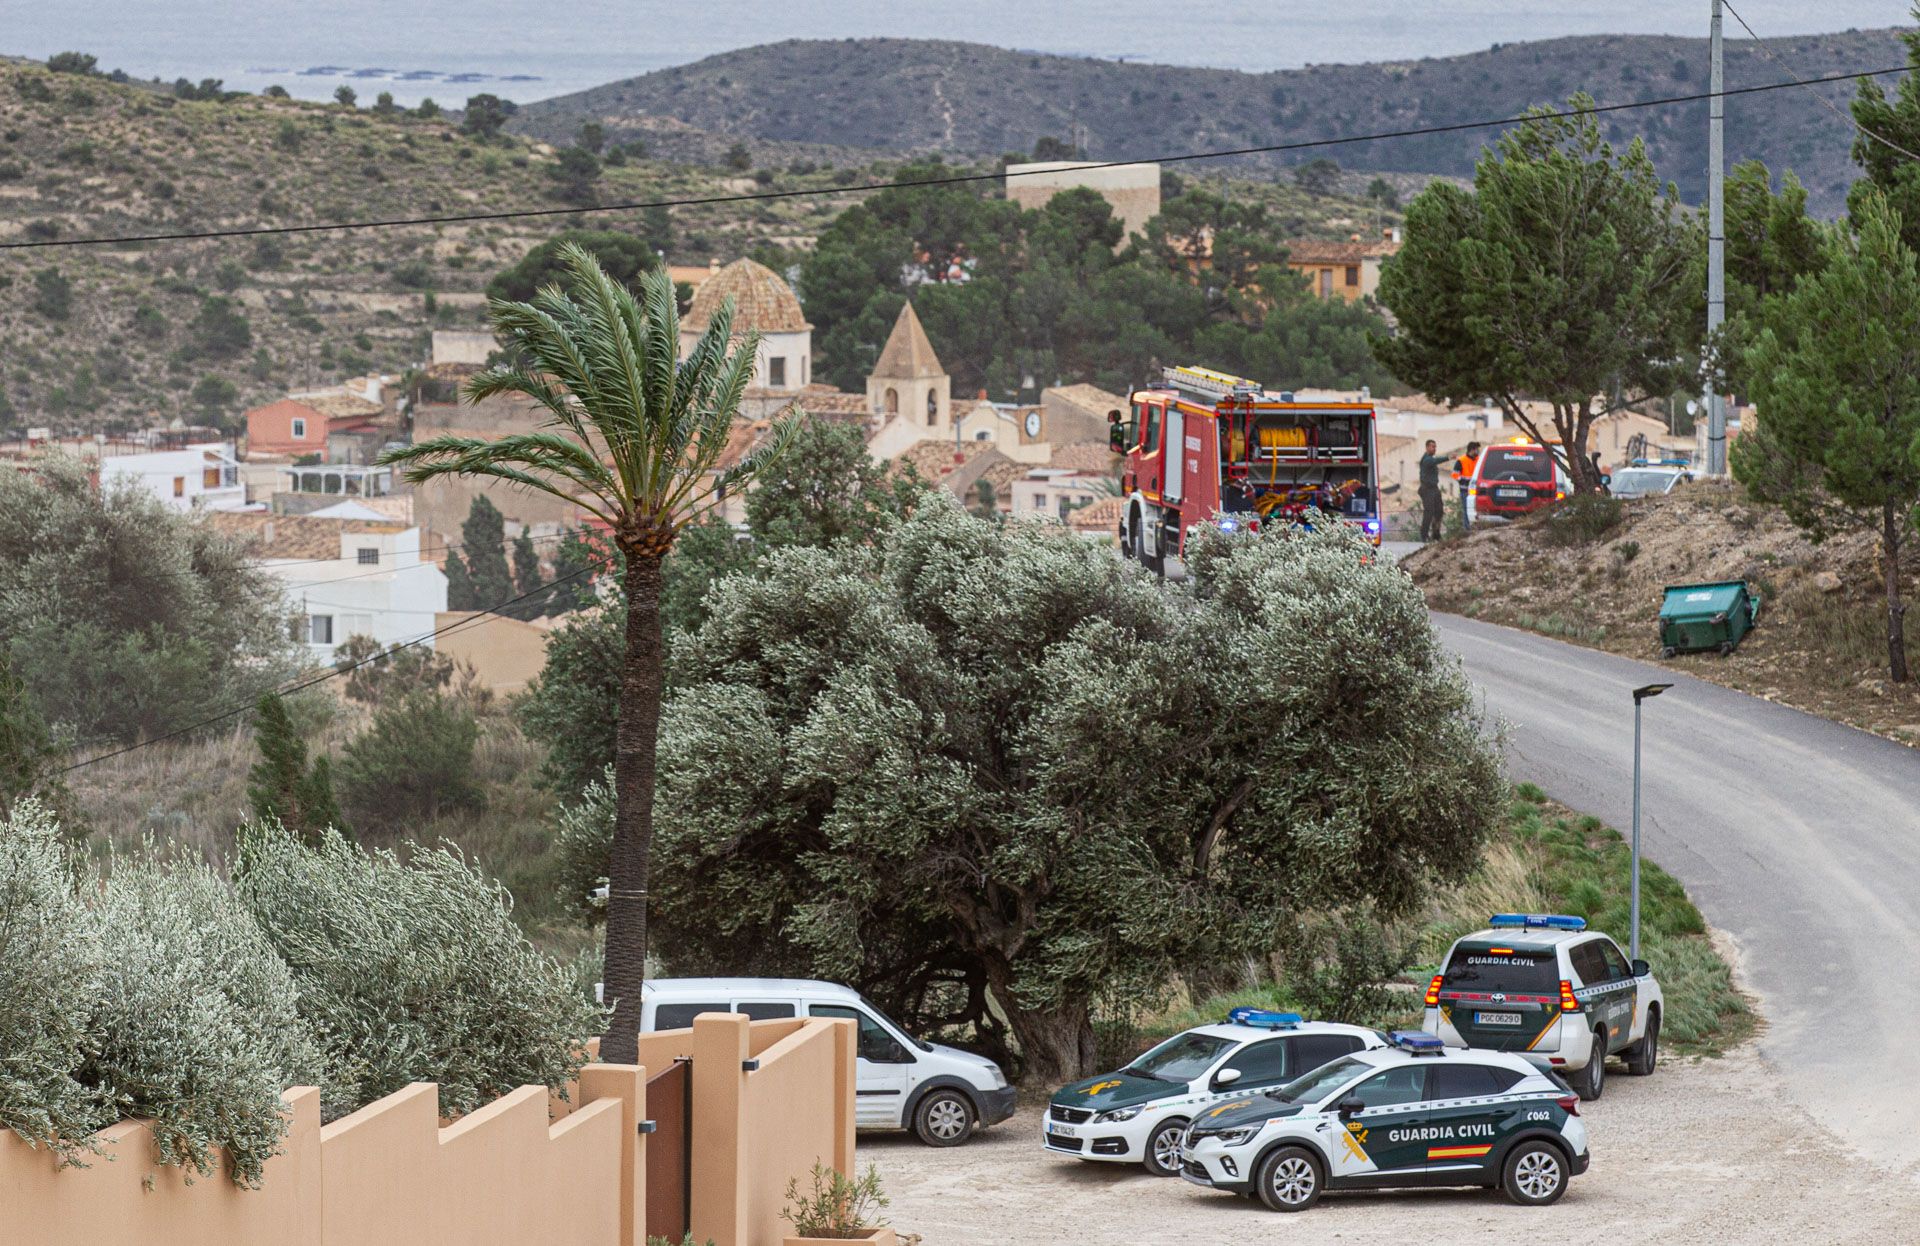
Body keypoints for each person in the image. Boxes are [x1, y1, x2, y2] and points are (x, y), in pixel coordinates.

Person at [1417, 439, 1445, 541]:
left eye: (1435, 446)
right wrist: (1448, 457)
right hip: (1427, 489)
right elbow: (1435, 460)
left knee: (1439, 511)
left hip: (1434, 489)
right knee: (1429, 512)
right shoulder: (1427, 459)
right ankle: (1424, 535)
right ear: (1427, 447)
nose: (1434, 449)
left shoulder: (1430, 459)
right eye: (1432, 446)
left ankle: (1436, 534)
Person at [1453, 441, 1482, 533]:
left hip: (1476, 490)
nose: (1478, 451)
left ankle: (1476, 529)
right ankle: (1467, 530)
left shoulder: (1479, 459)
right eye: (1476, 449)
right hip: (1465, 490)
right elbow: (1455, 475)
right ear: (1472, 450)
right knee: (1466, 510)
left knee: (1478, 510)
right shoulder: (1461, 460)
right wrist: (1463, 480)